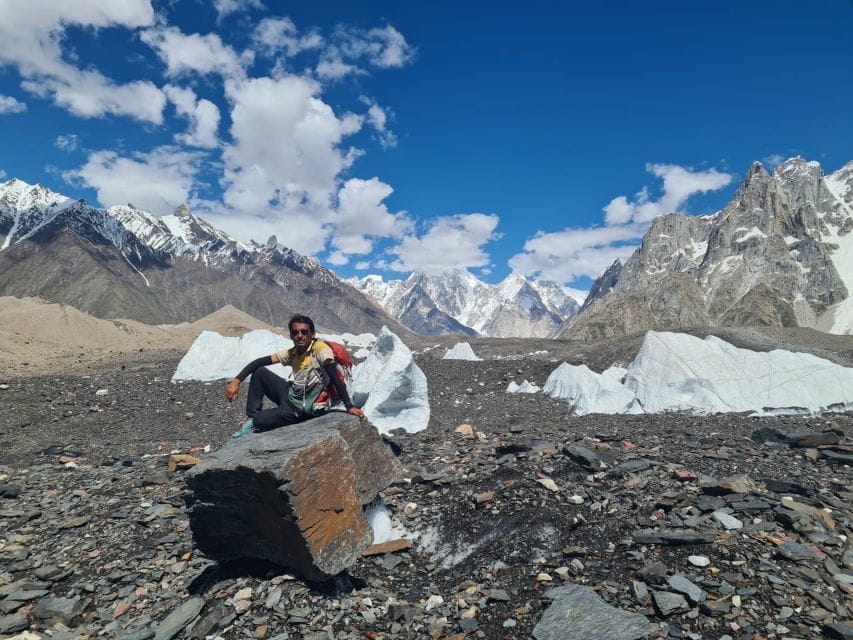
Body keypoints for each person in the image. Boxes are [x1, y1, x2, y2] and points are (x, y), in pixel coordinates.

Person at [224, 314, 364, 436]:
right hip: (292, 394)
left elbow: (335, 377)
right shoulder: (293, 353)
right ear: (291, 335)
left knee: (260, 420)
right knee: (260, 372)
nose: (300, 335)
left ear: (312, 334)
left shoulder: (320, 350)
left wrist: (349, 406)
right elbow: (259, 362)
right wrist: (237, 381)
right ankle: (251, 418)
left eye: (304, 332)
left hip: (303, 408)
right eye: (295, 332)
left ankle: (256, 421)